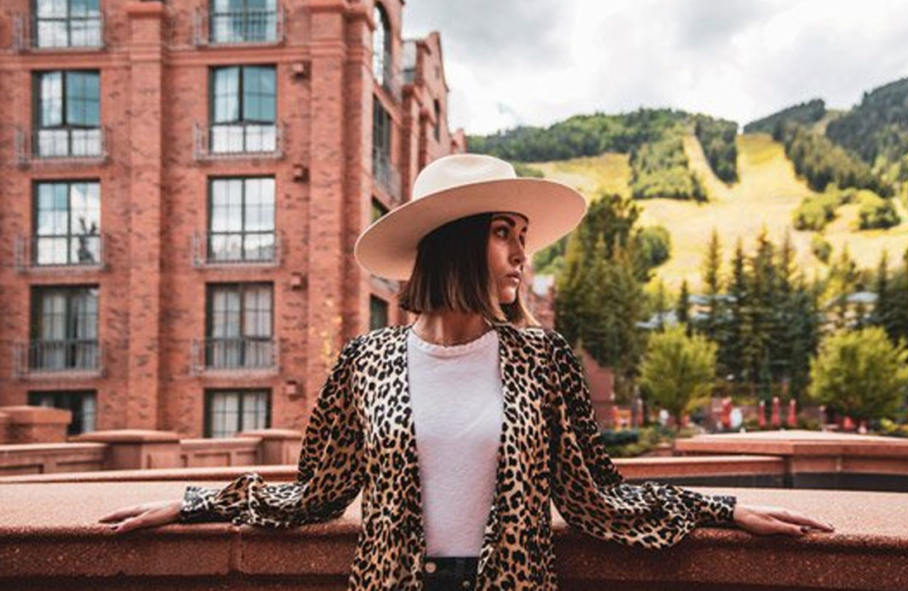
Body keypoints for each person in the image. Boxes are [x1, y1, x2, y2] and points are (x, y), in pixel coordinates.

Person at [100, 153, 833, 590]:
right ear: (454, 242)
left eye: (524, 235)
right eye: (503, 233)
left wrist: (725, 509)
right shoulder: (366, 361)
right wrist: (194, 503)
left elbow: (596, 496)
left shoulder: (544, 361)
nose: (522, 253)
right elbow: (316, 494)